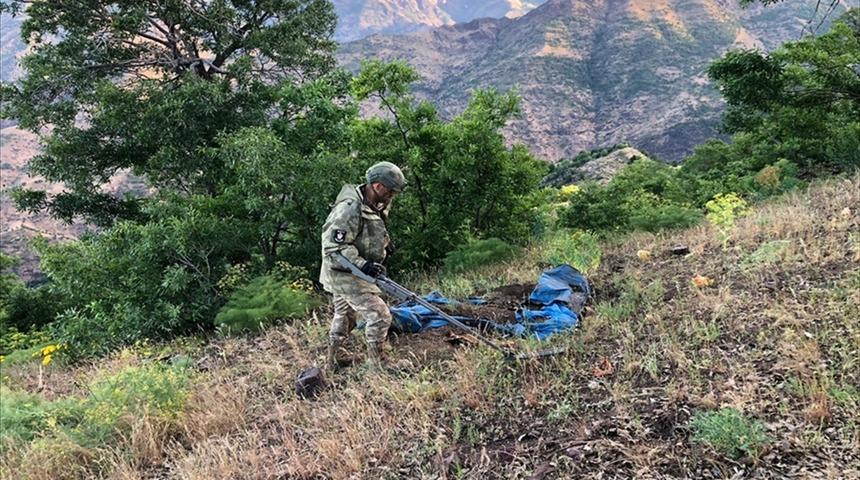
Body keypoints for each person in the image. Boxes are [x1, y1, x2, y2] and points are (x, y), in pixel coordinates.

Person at [319, 161, 407, 370]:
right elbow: (334, 247)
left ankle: (336, 358)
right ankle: (378, 364)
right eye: (391, 191)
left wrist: (385, 244)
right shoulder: (349, 208)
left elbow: (369, 229)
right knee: (379, 314)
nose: (392, 196)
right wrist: (363, 265)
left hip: (351, 270)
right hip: (344, 272)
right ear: (378, 186)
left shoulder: (373, 203)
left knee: (345, 314)